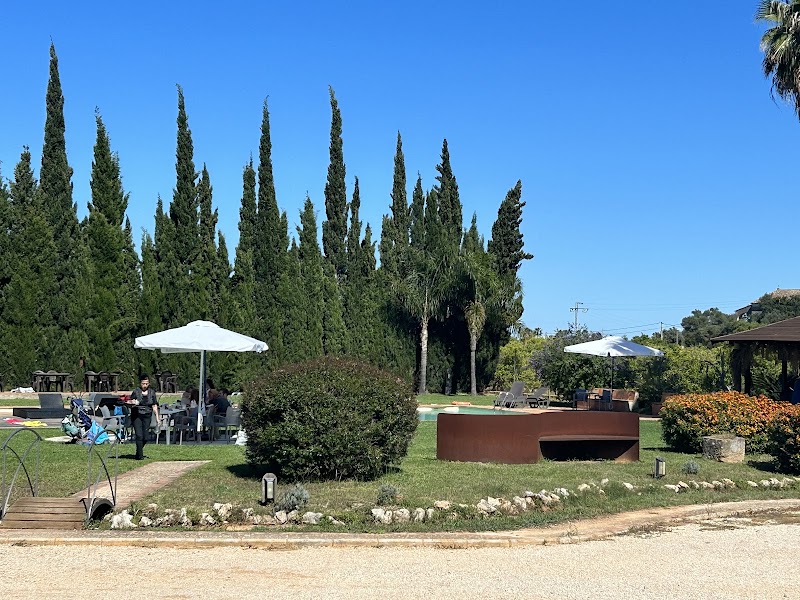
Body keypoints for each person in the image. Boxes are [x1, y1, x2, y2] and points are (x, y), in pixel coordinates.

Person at [128, 374, 159, 460]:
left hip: (147, 415)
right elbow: (130, 403)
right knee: (139, 435)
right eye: (143, 383)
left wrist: (157, 418)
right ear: (140, 383)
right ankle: (140, 456)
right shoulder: (135, 392)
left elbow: (154, 405)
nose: (145, 385)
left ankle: (138, 451)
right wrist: (132, 403)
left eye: (146, 383)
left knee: (145, 437)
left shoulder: (152, 392)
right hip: (136, 415)